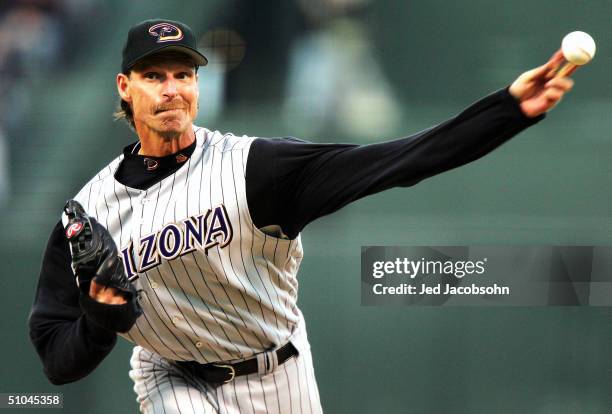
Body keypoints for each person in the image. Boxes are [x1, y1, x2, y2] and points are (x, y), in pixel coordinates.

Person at [28, 18, 575, 414]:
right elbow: (58, 358)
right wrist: (100, 322)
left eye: (183, 74)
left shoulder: (255, 169)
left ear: (197, 84)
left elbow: (399, 162)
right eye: (154, 76)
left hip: (276, 371)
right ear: (125, 87)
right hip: (170, 375)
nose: (172, 89)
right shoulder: (88, 213)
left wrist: (506, 110)